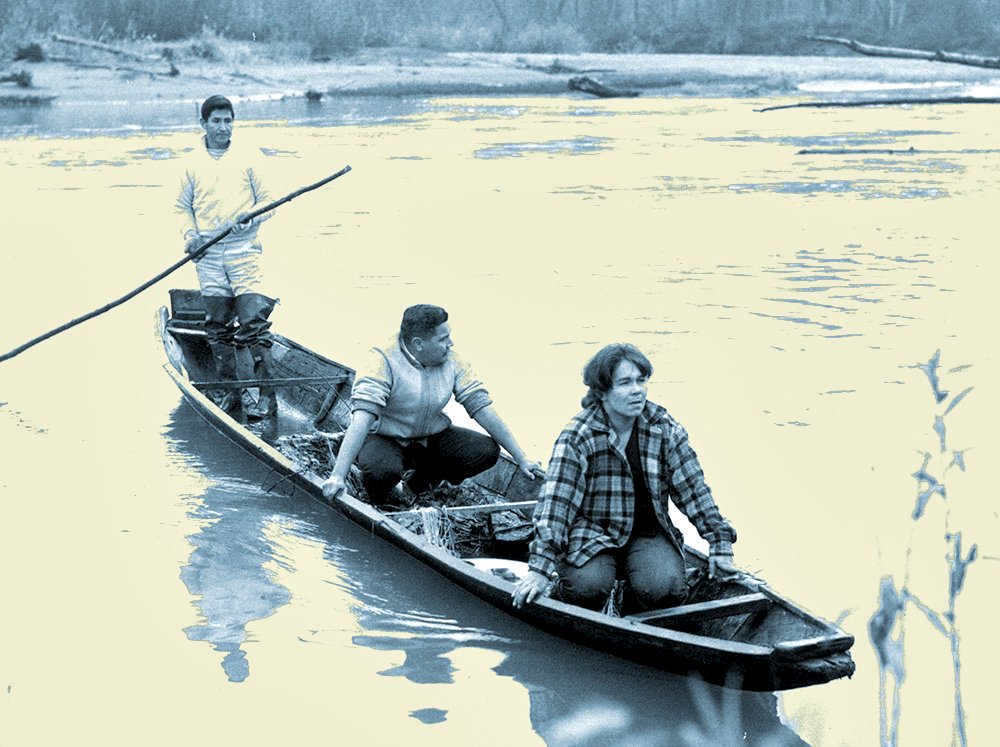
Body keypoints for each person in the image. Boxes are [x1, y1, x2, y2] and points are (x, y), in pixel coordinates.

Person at [512, 343, 738, 612]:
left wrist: (719, 543)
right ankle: (563, 595)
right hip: (592, 533)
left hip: (647, 532)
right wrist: (539, 568)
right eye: (625, 383)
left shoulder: (663, 428)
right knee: (587, 588)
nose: (637, 390)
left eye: (641, 381)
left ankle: (629, 607)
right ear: (602, 393)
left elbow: (694, 491)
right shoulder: (578, 435)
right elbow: (556, 508)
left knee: (666, 590)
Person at [321, 304, 542, 505]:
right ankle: (381, 498)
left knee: (486, 450)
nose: (450, 344)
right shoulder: (382, 359)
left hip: (428, 438)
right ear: (418, 344)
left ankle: (416, 486)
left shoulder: (452, 360)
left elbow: (481, 407)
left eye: (449, 337)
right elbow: (362, 417)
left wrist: (521, 458)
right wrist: (337, 476)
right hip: (384, 437)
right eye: (443, 339)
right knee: (382, 473)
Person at [176, 94, 276, 419]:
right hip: (208, 254)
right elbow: (181, 207)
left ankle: (266, 397)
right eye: (216, 121)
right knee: (217, 327)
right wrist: (190, 236)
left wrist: (251, 215)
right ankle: (232, 397)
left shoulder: (250, 156)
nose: (223, 127)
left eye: (228, 120)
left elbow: (270, 200)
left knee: (254, 323)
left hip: (244, 250)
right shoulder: (190, 162)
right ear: (203, 124)